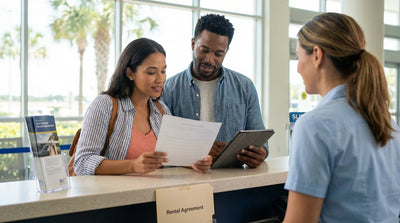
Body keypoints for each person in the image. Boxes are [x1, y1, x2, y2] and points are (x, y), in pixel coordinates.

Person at [283, 12, 400, 223]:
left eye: (299, 57)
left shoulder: (314, 126)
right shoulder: (388, 123)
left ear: (317, 55)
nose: (298, 68)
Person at [74, 38, 213, 175]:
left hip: (158, 196)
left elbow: (170, 159)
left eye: (163, 71)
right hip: (118, 196)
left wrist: (193, 162)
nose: (160, 79)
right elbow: (83, 162)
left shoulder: (162, 111)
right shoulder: (105, 105)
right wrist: (133, 165)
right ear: (130, 73)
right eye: (151, 72)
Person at [162, 14, 268, 168]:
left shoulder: (245, 86)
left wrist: (261, 152)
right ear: (193, 44)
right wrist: (198, 150)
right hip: (185, 182)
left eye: (218, 54)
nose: (209, 60)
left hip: (232, 181)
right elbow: (162, 143)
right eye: (204, 50)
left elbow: (260, 137)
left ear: (226, 51)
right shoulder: (169, 89)